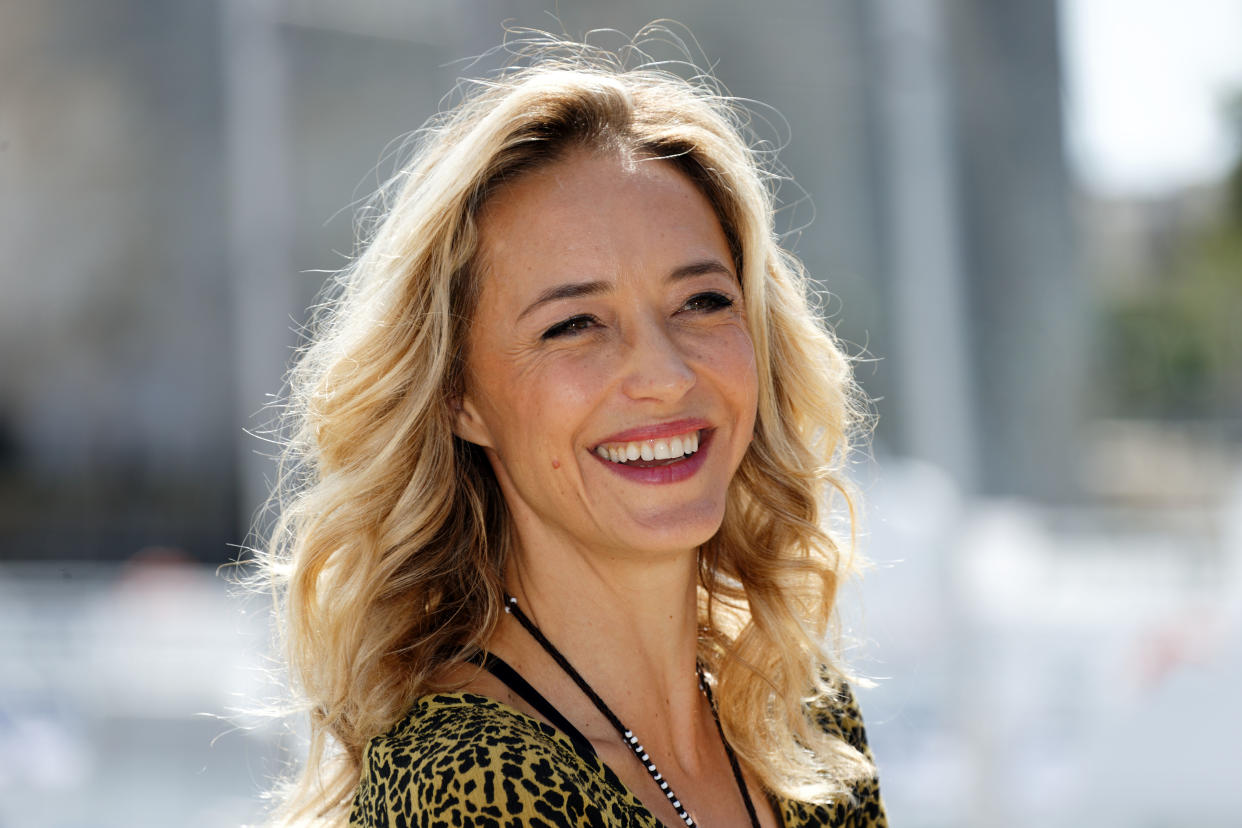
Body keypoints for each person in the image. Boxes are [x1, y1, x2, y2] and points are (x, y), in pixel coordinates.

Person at [257, 31, 886, 828]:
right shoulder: (473, 786)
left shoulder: (799, 715)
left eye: (702, 302)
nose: (664, 375)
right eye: (575, 324)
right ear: (460, 396)